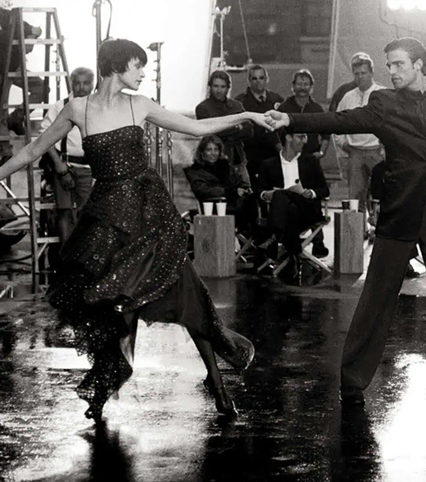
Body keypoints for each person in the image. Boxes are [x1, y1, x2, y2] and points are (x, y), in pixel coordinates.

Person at [0, 39, 273, 423]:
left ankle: (216, 382)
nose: (143, 73)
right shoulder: (78, 109)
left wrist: (247, 117)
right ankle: (106, 382)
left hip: (151, 214)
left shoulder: (139, 104)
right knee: (113, 304)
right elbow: (32, 151)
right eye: (137, 65)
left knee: (188, 294)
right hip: (109, 218)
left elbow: (197, 128)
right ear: (116, 66)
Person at [265, 37, 426, 407]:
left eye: (398, 64)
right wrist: (290, 119)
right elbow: (342, 121)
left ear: (419, 65)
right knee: (377, 299)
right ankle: (352, 380)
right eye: (389, 65)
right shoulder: (384, 103)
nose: (391, 72)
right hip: (400, 212)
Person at [258, 130, 330, 277]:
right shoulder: (268, 164)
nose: (305, 141)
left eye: (305, 137)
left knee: (282, 195)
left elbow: (324, 190)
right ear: (288, 138)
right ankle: (293, 255)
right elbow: (259, 191)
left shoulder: (310, 161)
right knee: (288, 207)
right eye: (301, 137)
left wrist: (310, 193)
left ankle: (274, 237)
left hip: (306, 211)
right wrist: (266, 194)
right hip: (286, 213)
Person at [39, 67, 96, 245]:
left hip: (89, 169)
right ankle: (66, 256)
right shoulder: (59, 107)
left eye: (86, 83)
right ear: (71, 84)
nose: (81, 88)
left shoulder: (99, 107)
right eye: (77, 83)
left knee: (88, 212)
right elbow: (45, 137)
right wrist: (59, 166)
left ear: (92, 84)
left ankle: (84, 255)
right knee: (64, 212)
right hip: (64, 166)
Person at [335, 53, 386, 214]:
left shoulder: (383, 94)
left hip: (377, 153)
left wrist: (386, 147)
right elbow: (337, 124)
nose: (360, 77)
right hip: (354, 152)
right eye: (356, 73)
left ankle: (378, 225)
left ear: (371, 73)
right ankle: (357, 228)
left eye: (363, 73)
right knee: (355, 199)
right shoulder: (348, 97)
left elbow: (393, 124)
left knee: (381, 195)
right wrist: (343, 145)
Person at [184, 135, 258, 233]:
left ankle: (254, 232)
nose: (213, 153)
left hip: (233, 203)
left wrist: (243, 188)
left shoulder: (226, 167)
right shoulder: (195, 171)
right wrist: (229, 192)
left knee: (254, 196)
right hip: (214, 207)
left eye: (216, 149)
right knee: (249, 204)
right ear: (202, 152)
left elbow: (238, 182)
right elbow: (203, 191)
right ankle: (252, 232)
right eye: (209, 150)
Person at [195, 70, 251, 185]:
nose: (219, 90)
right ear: (210, 86)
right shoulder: (202, 108)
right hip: (214, 162)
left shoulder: (236, 105)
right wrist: (236, 127)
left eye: (222, 86)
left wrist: (225, 130)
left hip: (237, 160)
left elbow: (249, 130)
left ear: (228, 88)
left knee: (245, 191)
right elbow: (212, 132)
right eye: (216, 86)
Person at [0, 8, 43, 156]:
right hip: (2, 69)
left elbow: (13, 19)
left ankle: (16, 117)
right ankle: (6, 152)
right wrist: (30, 31)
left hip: (13, 65)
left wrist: (30, 34)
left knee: (41, 88)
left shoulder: (5, 15)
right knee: (1, 110)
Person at [234, 65, 284, 186]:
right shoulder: (240, 102)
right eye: (254, 78)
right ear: (249, 80)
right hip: (249, 155)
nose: (258, 81)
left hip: (273, 154)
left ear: (267, 79)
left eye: (261, 78)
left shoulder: (276, 99)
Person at [277, 69, 331, 159]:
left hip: (311, 158)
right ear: (293, 86)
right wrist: (281, 152)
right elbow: (274, 134)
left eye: (306, 84)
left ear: (311, 87)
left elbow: (326, 134)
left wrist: (321, 152)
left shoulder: (317, 109)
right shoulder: (284, 108)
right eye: (299, 84)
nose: (302, 87)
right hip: (288, 158)